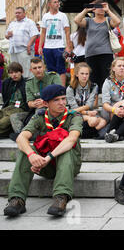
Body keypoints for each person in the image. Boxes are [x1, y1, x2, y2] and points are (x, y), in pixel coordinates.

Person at [3, 84, 83, 217]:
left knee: (66, 148)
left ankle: (60, 197)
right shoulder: (39, 117)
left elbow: (71, 139)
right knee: (25, 149)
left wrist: (48, 157)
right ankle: (17, 199)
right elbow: (21, 138)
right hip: (45, 166)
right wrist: (32, 155)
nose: (62, 103)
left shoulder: (74, 116)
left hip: (69, 165)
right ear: (46, 103)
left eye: (63, 98)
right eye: (56, 100)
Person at [74, 0, 121, 91]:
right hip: (91, 53)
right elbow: (77, 20)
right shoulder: (88, 21)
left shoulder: (108, 20)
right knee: (93, 78)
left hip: (106, 52)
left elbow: (118, 22)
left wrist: (108, 10)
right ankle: (95, 98)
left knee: (106, 77)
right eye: (98, 6)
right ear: (94, 9)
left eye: (102, 6)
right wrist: (86, 9)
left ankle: (106, 97)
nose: (101, 8)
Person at [9, 57, 62, 139]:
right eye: (35, 68)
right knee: (14, 117)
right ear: (31, 70)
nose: (38, 70)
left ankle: (27, 136)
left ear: (44, 67)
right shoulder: (29, 83)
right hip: (35, 110)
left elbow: (60, 95)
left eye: (39, 67)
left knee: (40, 111)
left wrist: (44, 102)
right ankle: (24, 134)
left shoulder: (54, 77)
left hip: (52, 110)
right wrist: (34, 103)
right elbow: (29, 103)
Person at [101, 57, 124, 143]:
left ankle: (115, 134)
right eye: (119, 66)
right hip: (113, 111)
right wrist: (115, 110)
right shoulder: (108, 82)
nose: (122, 68)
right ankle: (113, 129)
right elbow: (105, 104)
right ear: (113, 68)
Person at [66, 62, 106, 138]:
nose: (84, 76)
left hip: (88, 113)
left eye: (86, 74)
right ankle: (89, 133)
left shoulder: (93, 86)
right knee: (93, 121)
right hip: (75, 115)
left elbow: (89, 105)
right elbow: (74, 109)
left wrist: (87, 111)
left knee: (103, 122)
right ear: (77, 74)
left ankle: (82, 133)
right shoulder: (70, 88)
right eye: (82, 74)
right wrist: (87, 112)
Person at [39, 0, 72, 86]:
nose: (57, 4)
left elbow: (67, 31)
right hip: (48, 47)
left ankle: (62, 89)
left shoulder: (62, 16)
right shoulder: (45, 16)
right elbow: (43, 32)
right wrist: (40, 46)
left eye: (58, 2)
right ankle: (53, 89)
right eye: (55, 2)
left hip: (59, 46)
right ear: (49, 4)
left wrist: (68, 46)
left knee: (61, 69)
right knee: (50, 70)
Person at [5, 7, 40, 78]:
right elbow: (6, 36)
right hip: (13, 50)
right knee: (15, 70)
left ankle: (27, 87)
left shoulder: (29, 22)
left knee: (26, 71)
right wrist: (8, 35)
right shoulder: (12, 23)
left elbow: (35, 35)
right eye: (16, 13)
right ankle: (17, 87)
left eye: (19, 13)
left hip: (24, 50)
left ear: (24, 13)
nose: (17, 14)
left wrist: (29, 45)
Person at [0, 62, 29, 137]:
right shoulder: (7, 83)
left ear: (21, 72)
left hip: (19, 109)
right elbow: (5, 98)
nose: (14, 75)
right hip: (7, 108)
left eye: (16, 72)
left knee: (2, 123)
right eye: (11, 73)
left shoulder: (26, 83)